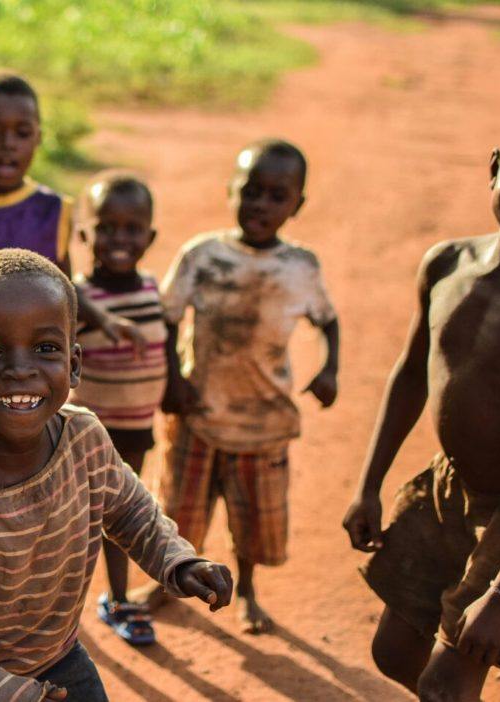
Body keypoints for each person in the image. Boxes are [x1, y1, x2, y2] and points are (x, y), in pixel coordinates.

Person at [0, 248, 232, 702]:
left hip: (55, 660)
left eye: (45, 348)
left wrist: (178, 561)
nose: (20, 369)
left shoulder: (83, 439)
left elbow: (130, 511)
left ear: (75, 363)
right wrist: (6, 693)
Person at [133, 139, 340, 635]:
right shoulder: (202, 255)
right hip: (198, 414)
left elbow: (328, 321)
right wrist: (174, 379)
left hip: (263, 421)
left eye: (276, 196)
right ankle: (167, 581)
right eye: (251, 192)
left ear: (297, 205)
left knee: (250, 522)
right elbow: (165, 317)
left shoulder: (301, 267)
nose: (261, 206)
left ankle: (246, 589)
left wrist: (331, 368)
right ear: (230, 190)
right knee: (178, 508)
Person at [343, 148, 500, 701]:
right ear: (495, 167)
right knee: (395, 651)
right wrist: (368, 485)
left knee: (447, 680)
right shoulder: (447, 264)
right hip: (449, 487)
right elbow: (411, 374)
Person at [0, 69, 144, 444]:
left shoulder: (52, 211)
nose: (8, 145)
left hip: (29, 393)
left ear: (38, 139)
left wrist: (102, 318)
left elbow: (64, 289)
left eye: (22, 134)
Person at [67, 171, 168, 645]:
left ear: (150, 236)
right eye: (107, 227)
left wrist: (177, 389)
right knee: (75, 521)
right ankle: (54, 611)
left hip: (135, 429)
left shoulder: (150, 288)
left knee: (120, 516)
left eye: (132, 229)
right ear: (86, 233)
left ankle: (120, 599)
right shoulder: (76, 298)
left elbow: (165, 348)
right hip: (86, 436)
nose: (119, 238)